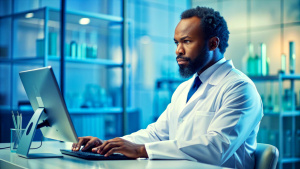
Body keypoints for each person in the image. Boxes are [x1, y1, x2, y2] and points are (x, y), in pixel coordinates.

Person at [72, 6, 263, 169]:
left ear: (213, 43)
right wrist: (109, 146)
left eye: (187, 41)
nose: (178, 50)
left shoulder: (239, 87)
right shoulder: (185, 88)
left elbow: (217, 148)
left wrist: (141, 150)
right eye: (177, 42)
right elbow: (157, 133)